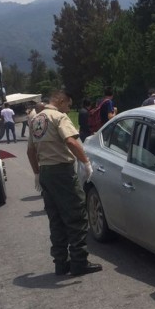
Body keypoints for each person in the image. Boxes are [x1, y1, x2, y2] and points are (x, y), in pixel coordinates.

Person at [27, 89, 102, 277]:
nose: (69, 109)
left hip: (45, 173)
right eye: (68, 105)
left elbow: (30, 151)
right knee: (77, 215)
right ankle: (79, 262)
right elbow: (71, 141)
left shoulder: (37, 119)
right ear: (60, 101)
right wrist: (85, 162)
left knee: (56, 219)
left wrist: (37, 173)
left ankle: (61, 263)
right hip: (62, 172)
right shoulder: (58, 117)